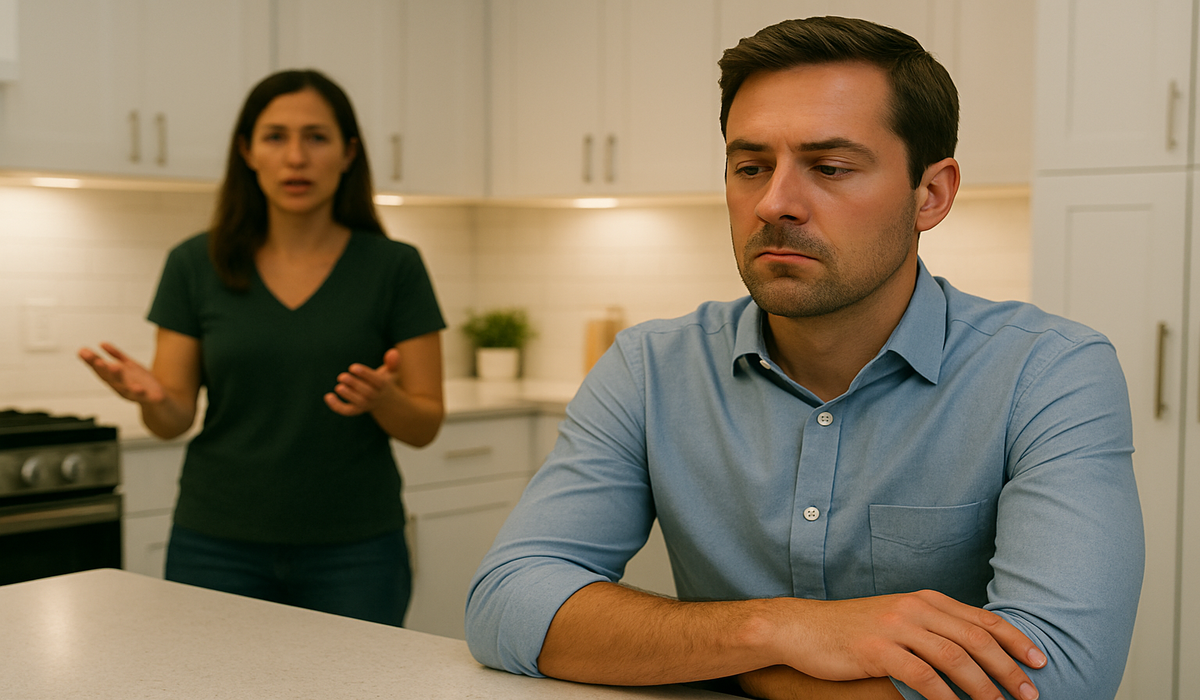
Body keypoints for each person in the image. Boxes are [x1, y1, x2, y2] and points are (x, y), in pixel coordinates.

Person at [465, 16, 1143, 700]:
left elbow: (1060, 675)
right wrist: (778, 630)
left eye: (830, 167)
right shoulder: (649, 369)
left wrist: (726, 663)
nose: (775, 202)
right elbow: (509, 603)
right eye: (750, 167)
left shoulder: (1049, 374)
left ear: (929, 195)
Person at [79, 69, 446, 627]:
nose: (295, 157)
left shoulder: (395, 268)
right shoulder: (193, 264)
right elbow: (172, 420)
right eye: (275, 136)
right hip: (216, 543)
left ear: (348, 154)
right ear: (247, 151)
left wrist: (383, 399)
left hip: (356, 548)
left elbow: (424, 424)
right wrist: (152, 398)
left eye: (316, 137)